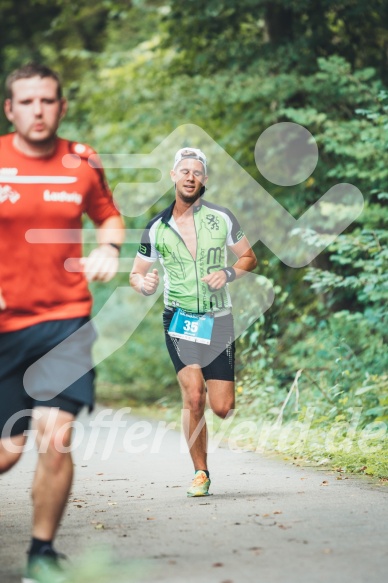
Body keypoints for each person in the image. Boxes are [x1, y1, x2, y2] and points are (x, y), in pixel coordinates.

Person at [0, 63, 125, 582]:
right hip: (5, 329)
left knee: (55, 435)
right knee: (7, 453)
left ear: (62, 106)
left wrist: (109, 248)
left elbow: (109, 215)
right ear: (10, 109)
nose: (38, 111)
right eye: (27, 102)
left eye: (47, 101)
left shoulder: (81, 160)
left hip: (64, 322)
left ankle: (42, 554)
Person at [130, 147, 257, 497]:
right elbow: (137, 274)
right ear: (173, 176)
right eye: (184, 170)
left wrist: (229, 272)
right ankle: (200, 472)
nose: (190, 176)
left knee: (223, 407)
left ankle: (208, 443)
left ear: (205, 180)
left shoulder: (222, 218)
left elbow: (249, 256)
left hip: (219, 320)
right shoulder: (157, 227)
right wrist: (145, 284)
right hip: (180, 319)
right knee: (194, 396)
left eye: (197, 172)